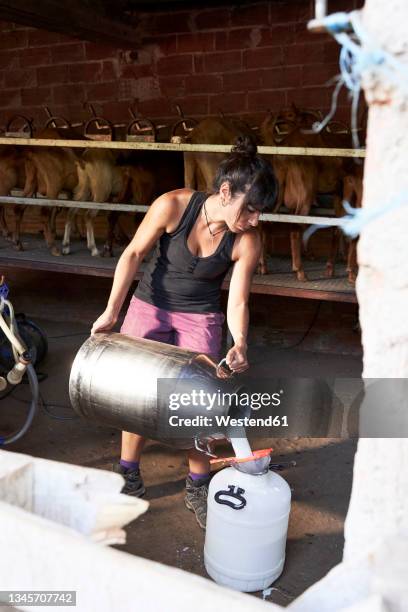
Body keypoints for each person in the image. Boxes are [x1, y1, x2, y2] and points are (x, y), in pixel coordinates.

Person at [91, 136, 278, 529]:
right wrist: (112, 311)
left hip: (200, 316)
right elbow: (133, 254)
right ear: (226, 192)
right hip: (149, 304)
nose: (255, 220)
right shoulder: (172, 204)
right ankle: (129, 474)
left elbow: (238, 300)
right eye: (252, 210)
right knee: (134, 394)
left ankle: (198, 485)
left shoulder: (247, 240)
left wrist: (240, 342)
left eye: (260, 213)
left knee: (200, 406)